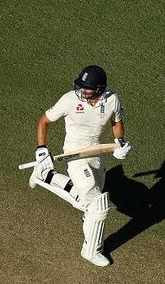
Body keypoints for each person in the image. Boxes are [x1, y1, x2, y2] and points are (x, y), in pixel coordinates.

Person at [29, 65, 132, 267]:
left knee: (88, 201)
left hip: (98, 153)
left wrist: (120, 141)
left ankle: (45, 176)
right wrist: (41, 149)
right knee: (97, 205)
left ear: (100, 89)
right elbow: (44, 121)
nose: (82, 91)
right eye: (81, 86)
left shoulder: (112, 100)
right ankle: (91, 250)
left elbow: (116, 121)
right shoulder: (69, 100)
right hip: (74, 154)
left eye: (87, 88)